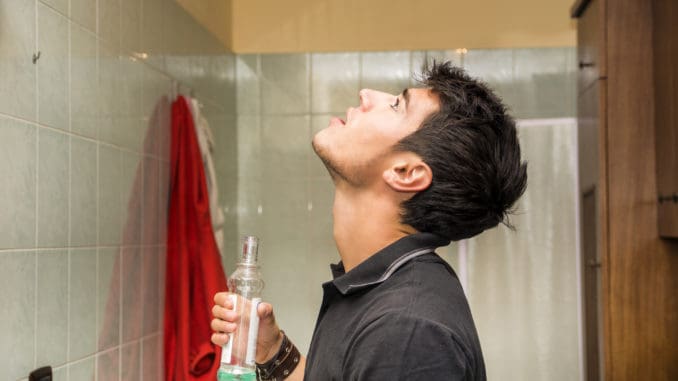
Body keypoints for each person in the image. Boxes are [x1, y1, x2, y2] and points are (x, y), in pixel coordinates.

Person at [211, 61, 528, 380]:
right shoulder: (381, 291)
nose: (366, 94)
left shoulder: (406, 331)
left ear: (406, 173)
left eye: (396, 105)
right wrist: (273, 351)